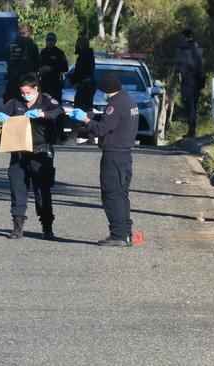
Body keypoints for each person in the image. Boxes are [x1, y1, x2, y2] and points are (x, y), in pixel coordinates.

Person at [68, 73, 139, 247]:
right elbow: (114, 121)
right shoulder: (129, 102)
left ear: (107, 90)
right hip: (124, 155)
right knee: (121, 195)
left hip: (113, 156)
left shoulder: (115, 105)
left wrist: (85, 120)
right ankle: (125, 233)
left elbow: (102, 129)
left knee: (111, 195)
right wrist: (93, 115)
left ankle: (118, 235)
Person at [0, 73, 64, 240]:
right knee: (17, 189)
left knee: (42, 190)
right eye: (23, 93)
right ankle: (17, 227)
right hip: (19, 152)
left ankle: (47, 227)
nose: (25, 96)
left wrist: (42, 115)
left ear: (36, 89)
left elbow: (59, 111)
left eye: (28, 92)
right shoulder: (16, 102)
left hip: (40, 152)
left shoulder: (45, 101)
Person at [39, 32, 69, 143]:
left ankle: (59, 135)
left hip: (55, 85)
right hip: (44, 85)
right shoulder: (42, 52)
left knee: (57, 110)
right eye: (48, 40)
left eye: (52, 40)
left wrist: (51, 69)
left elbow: (65, 67)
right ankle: (46, 135)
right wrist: (41, 70)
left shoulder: (59, 53)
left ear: (55, 41)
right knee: (44, 110)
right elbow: (37, 64)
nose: (50, 42)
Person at [175, 28, 205, 138]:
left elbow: (178, 66)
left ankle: (191, 130)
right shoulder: (198, 48)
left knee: (189, 105)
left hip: (187, 80)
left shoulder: (182, 49)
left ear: (185, 37)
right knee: (194, 105)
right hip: (198, 80)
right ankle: (192, 130)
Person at [67, 36, 96, 144]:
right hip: (89, 85)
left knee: (79, 109)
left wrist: (71, 77)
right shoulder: (89, 55)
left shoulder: (84, 56)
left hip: (85, 85)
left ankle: (72, 136)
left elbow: (79, 72)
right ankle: (91, 136)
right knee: (88, 110)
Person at [3, 24, 39, 103]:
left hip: (12, 82)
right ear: (28, 33)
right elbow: (37, 64)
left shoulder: (9, 46)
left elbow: (6, 59)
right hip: (27, 84)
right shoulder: (32, 46)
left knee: (10, 105)